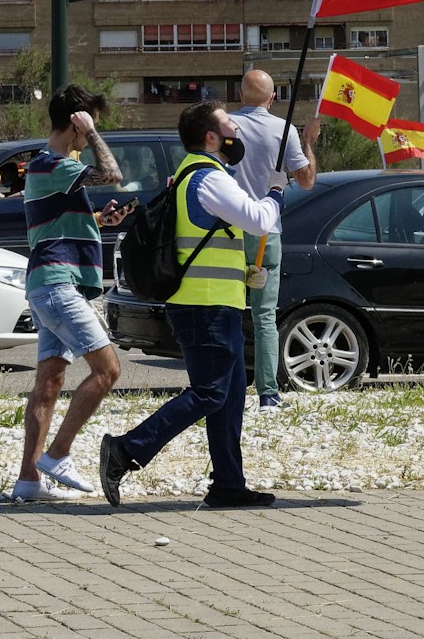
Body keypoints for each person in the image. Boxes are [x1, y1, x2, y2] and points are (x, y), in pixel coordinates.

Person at [100, 102, 283, 509]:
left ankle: (229, 485)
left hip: (216, 305)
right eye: (230, 124)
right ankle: (125, 450)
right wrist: (275, 191)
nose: (237, 128)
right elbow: (259, 220)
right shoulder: (207, 178)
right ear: (212, 137)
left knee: (230, 394)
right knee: (209, 392)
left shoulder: (199, 175)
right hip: (205, 308)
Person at [13, 87, 127, 502]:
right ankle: (58, 453)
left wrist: (99, 218)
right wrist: (94, 134)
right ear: (76, 123)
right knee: (108, 369)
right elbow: (112, 173)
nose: (88, 135)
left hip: (48, 285)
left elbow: (56, 216)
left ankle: (28, 481)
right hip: (57, 285)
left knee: (49, 381)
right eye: (86, 124)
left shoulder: (49, 169)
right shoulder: (51, 163)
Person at [228, 69, 320, 411]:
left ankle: (230, 387)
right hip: (266, 232)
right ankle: (268, 394)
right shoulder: (283, 131)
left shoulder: (225, 125)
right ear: (271, 99)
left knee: (228, 314)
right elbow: (307, 180)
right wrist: (308, 139)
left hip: (228, 231)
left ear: (240, 95)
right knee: (264, 317)